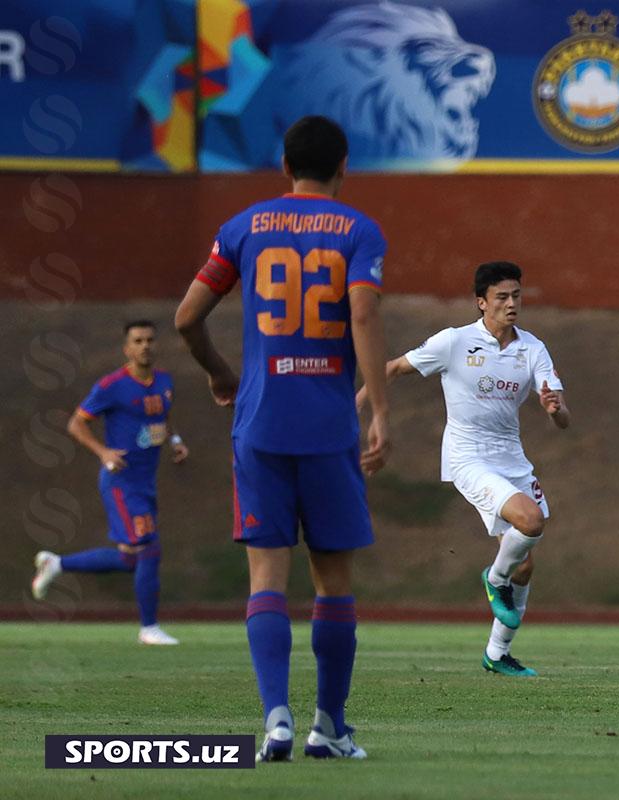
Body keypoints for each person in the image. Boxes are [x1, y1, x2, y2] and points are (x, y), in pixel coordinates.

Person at [174, 115, 391, 761]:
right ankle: (330, 725)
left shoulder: (243, 227)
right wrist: (380, 409)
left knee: (266, 576)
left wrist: (221, 375)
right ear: (343, 166)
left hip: (261, 423)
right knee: (333, 581)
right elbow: (362, 311)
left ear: (284, 166)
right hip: (327, 427)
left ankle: (275, 719)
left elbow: (187, 317)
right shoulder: (359, 230)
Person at [362, 261, 568, 678]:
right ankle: (494, 580)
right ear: (481, 303)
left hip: (512, 458)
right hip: (467, 456)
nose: (512, 304)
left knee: (525, 564)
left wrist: (554, 409)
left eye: (517, 296)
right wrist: (358, 408)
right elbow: (391, 368)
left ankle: (496, 654)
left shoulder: (533, 349)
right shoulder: (454, 343)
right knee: (529, 522)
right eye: (502, 297)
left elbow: (563, 416)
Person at [31, 321, 188, 646]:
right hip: (122, 482)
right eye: (137, 341)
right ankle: (149, 628)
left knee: (131, 558)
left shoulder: (164, 381)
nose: (145, 345)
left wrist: (175, 440)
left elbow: (163, 415)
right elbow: (76, 423)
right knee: (149, 548)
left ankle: (56, 563)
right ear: (126, 348)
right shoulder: (112, 385)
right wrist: (103, 452)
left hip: (145, 482)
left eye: (149, 340)